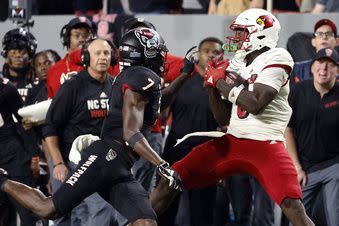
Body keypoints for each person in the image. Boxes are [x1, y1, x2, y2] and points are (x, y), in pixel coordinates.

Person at [0, 27, 182, 226]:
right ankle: (2, 180)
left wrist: (185, 74)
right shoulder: (140, 78)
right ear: (144, 52)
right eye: (156, 50)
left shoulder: (133, 78)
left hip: (120, 166)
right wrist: (162, 164)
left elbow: (157, 105)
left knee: (145, 222)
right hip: (104, 160)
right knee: (48, 208)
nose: (161, 56)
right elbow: (131, 132)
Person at [150, 8, 315, 226]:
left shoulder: (278, 56)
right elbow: (223, 119)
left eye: (242, 32)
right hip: (232, 141)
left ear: (260, 33)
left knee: (292, 206)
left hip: (266, 145)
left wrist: (220, 82)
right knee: (172, 178)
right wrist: (211, 84)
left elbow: (255, 103)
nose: (237, 38)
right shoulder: (239, 61)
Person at [43, 38, 116, 226]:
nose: (102, 57)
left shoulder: (115, 85)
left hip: (98, 160)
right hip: (69, 160)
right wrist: (58, 163)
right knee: (63, 215)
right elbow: (51, 126)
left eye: (106, 53)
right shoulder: (72, 86)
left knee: (101, 209)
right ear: (86, 57)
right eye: (97, 53)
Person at [159, 37, 222, 226]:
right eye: (207, 51)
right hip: (176, 154)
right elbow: (162, 113)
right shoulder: (183, 80)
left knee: (203, 213)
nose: (211, 55)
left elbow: (226, 124)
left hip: (207, 157)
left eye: (216, 52)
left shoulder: (224, 86)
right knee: (166, 209)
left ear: (222, 56)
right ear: (198, 55)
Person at [285, 48, 339, 226]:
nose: (324, 68)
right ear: (312, 67)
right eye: (320, 63)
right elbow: (288, 129)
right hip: (305, 168)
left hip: (334, 165)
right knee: (299, 219)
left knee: (334, 216)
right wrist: (296, 166)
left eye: (330, 64)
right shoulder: (299, 90)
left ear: (337, 71)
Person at [46, 16, 95, 99]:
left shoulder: (98, 65)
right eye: (77, 35)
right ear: (67, 39)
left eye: (86, 36)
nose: (82, 40)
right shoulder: (54, 70)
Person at [290, 19, 339, 85]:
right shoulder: (297, 69)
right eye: (319, 34)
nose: (324, 37)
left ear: (337, 41)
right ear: (313, 42)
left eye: (329, 34)